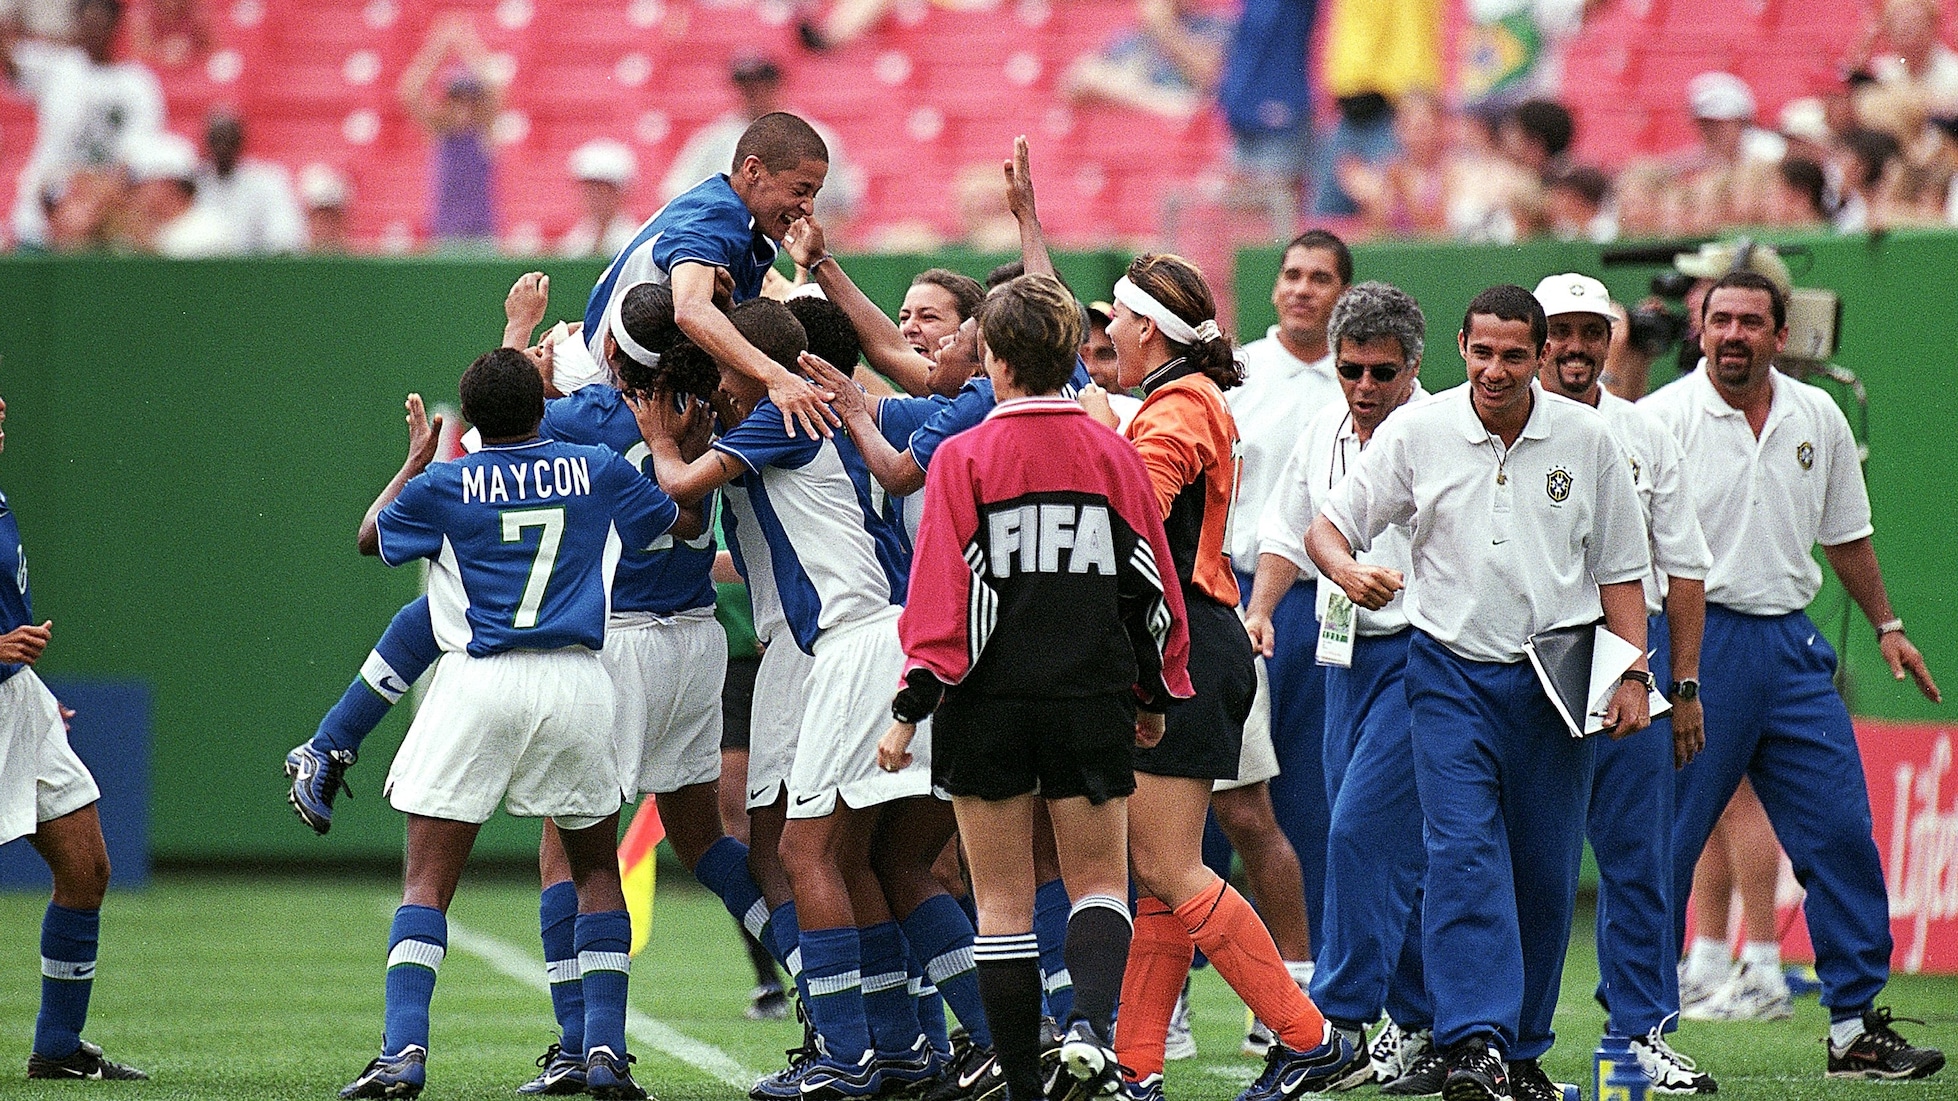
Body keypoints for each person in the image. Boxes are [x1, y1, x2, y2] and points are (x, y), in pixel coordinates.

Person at [1307, 284, 1652, 1101]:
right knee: (1461, 856)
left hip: (1559, 671)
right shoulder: (1418, 431)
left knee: (1543, 870)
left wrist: (1633, 671)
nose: (1495, 370)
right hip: (1447, 669)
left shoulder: (1588, 437)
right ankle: (1472, 1042)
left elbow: (1620, 573)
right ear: (1460, 346)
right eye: (1482, 352)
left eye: (1514, 355)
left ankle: (1521, 1049)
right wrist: (1348, 569)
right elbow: (1330, 523)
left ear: (1539, 358)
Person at [340, 351, 696, 1100]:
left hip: (481, 679)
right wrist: (676, 441)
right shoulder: (597, 466)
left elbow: (370, 538)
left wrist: (413, 461)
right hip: (578, 679)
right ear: (543, 404)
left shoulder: (445, 479)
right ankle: (604, 1051)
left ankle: (404, 1050)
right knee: (598, 871)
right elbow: (677, 520)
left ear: (470, 422)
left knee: (428, 881)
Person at [876, 272, 1192, 1101]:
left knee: (1003, 904)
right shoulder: (1114, 453)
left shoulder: (963, 455)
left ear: (992, 357)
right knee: (1097, 882)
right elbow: (1152, 589)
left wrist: (910, 708)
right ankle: (1089, 1023)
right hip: (1090, 698)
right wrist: (1156, 696)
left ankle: (1022, 1082)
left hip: (988, 707)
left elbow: (940, 601)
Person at [1641, 270, 1946, 1081]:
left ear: (1783, 335)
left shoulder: (1819, 414)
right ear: (1700, 332)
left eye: (1751, 321)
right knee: (1664, 838)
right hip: (1694, 644)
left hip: (1791, 646)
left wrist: (1888, 625)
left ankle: (1854, 1027)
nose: (1733, 334)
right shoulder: (1658, 419)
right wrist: (1659, 665)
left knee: (1842, 828)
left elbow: (1846, 533)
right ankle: (1640, 1029)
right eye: (1719, 321)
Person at [638, 300, 935, 1101]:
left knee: (815, 855)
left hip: (841, 645)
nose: (712, 380)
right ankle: (899, 1045)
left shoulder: (778, 414)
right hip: (810, 650)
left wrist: (664, 440)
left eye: (718, 361)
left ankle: (860, 1051)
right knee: (820, 855)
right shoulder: (776, 419)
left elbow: (684, 483)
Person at [1104, 252, 1359, 1101]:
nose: (1106, 332)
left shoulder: (1178, 408)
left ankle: (1308, 1034)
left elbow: (1131, 512)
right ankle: (1137, 1064)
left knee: (1174, 866)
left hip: (1179, 641)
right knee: (1163, 866)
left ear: (1148, 328)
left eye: (1116, 317)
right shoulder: (1183, 397)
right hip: (1197, 635)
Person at [1531, 273, 1717, 1093]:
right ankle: (1498, 1039)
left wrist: (1682, 683)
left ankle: (1637, 1034)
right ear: (1538, 338)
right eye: (1560, 332)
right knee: (1519, 864)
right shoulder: (1490, 420)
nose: (1575, 348)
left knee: (1638, 859)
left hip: (1624, 658)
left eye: (1591, 332)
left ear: (1611, 341)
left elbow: (1683, 565)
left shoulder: (1646, 431)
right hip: (1524, 657)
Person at [1252, 281, 1434, 1093]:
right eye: (1351, 369)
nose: (1364, 388)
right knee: (1364, 839)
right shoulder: (1325, 424)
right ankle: (1422, 1019)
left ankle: (1336, 1021)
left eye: (1381, 373)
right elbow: (1286, 527)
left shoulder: (1442, 433)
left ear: (1413, 367)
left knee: (1359, 830)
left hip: (1422, 656)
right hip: (1339, 653)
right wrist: (1260, 611)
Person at [0, 392, 147, 1082]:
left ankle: (57, 1046)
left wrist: (31, 691)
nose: (2, 405)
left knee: (87, 868)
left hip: (17, 701)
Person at [1232, 230, 1351, 990]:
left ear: (1343, 293)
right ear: (1276, 287)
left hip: (1332, 605)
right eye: (1293, 274)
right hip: (1240, 594)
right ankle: (1174, 988)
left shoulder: (1363, 380)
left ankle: (1309, 976)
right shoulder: (1239, 373)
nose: (1303, 287)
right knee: (1216, 793)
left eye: (1320, 277)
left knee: (1314, 793)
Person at [585, 111, 836, 441]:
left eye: (814, 194)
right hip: (611, 396)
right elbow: (691, 309)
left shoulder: (752, 227)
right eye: (800, 190)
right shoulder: (717, 215)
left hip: (646, 393)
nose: (808, 208)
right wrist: (777, 377)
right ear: (753, 170)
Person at [3, 0, 163, 249]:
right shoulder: (57, 67)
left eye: (102, 23)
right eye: (88, 23)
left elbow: (136, 153)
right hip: (47, 201)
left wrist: (92, 197)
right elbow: (10, 57)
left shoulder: (137, 82)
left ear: (115, 26)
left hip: (106, 208)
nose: (95, 30)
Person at [661, 54, 861, 228]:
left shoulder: (815, 137)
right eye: (746, 85)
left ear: (776, 85)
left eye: (761, 84)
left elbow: (843, 209)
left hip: (799, 245)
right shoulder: (713, 140)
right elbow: (677, 200)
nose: (754, 92)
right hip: (732, 247)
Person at [397, 12, 502, 251]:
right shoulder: (440, 133)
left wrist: (467, 44)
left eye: (469, 100)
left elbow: (496, 87)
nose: (463, 107)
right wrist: (437, 48)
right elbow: (409, 92)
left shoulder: (484, 133)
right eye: (456, 99)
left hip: (483, 235)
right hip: (444, 234)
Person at [194, 111, 306, 254]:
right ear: (206, 142)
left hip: (255, 269)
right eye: (216, 140)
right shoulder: (191, 183)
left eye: (229, 139)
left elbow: (285, 237)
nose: (222, 147)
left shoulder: (268, 181)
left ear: (241, 141)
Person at [121, 130, 235, 257]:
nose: (134, 194)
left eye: (140, 186)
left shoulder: (207, 232)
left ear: (165, 185)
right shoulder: (144, 230)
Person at [560, 139, 640, 260]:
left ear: (619, 192)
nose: (593, 196)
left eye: (601, 189)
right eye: (589, 188)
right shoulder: (578, 236)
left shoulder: (633, 238)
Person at [299, 163, 352, 253]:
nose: (326, 226)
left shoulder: (356, 261)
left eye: (332, 218)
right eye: (320, 218)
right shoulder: (293, 259)